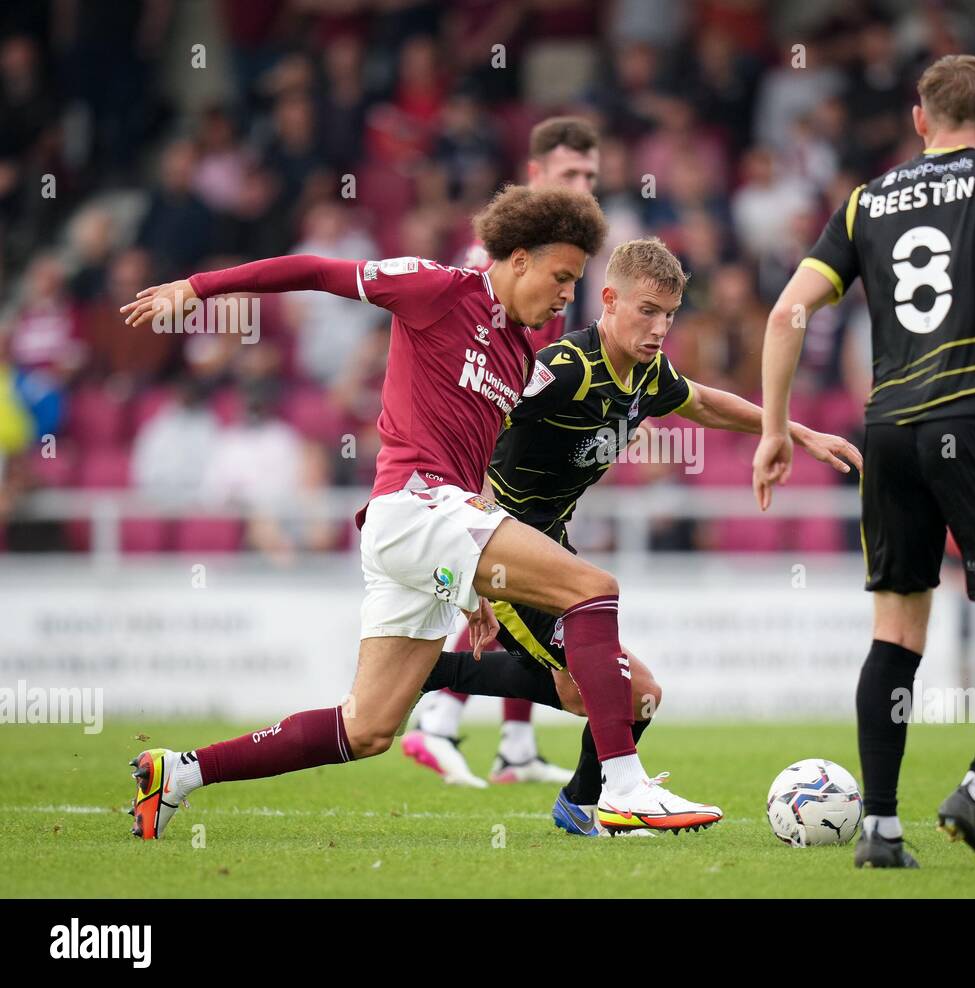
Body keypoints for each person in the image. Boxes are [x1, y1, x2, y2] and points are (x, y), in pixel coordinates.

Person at [118, 184, 721, 839]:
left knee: (366, 728)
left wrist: (473, 579)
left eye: (575, 281)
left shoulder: (521, 350)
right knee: (593, 589)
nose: (564, 295)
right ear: (518, 259)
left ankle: (178, 772)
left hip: (438, 528)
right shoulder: (435, 287)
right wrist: (199, 289)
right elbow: (315, 271)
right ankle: (623, 789)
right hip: (413, 506)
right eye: (560, 276)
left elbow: (477, 457)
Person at [753, 55, 975, 871]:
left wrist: (776, 430)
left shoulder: (865, 199)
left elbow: (786, 313)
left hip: (890, 432)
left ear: (919, 119)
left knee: (897, 633)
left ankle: (879, 831)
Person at [405, 237, 861, 835]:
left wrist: (795, 431)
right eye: (647, 310)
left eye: (669, 314)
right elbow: (478, 431)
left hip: (551, 550)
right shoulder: (564, 371)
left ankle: (446, 687)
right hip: (510, 553)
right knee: (623, 689)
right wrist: (475, 566)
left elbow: (704, 404)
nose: (659, 327)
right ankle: (591, 787)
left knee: (628, 695)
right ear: (609, 299)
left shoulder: (649, 373)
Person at [415, 116, 602, 788]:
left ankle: (516, 742)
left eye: (592, 176)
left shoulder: (562, 264)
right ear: (536, 178)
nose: (585, 187)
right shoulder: (494, 269)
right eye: (571, 175)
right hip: (473, 455)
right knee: (536, 588)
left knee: (536, 590)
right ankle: (437, 715)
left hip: (517, 446)